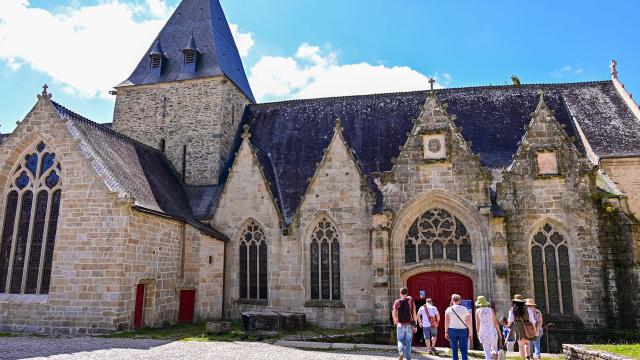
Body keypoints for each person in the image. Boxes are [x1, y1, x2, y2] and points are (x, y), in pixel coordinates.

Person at [507, 295, 537, 360]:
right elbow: (532, 320)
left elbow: (510, 320)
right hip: (527, 326)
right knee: (527, 343)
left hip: (518, 327)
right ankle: (528, 356)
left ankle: (523, 359)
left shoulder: (512, 310)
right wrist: (534, 329)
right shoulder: (528, 310)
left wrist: (508, 327)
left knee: (521, 345)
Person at [445, 294, 472, 360]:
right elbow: (469, 321)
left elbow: (446, 322)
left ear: (452, 300)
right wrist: (471, 332)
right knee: (464, 348)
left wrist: (446, 331)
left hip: (452, 330)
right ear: (460, 300)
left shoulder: (448, 309)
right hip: (463, 330)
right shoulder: (465, 309)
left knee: (454, 349)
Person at [393, 287, 418, 360]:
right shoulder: (411, 301)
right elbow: (414, 313)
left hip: (400, 324)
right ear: (407, 293)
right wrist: (415, 325)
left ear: (400, 293)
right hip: (409, 324)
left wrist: (395, 321)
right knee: (408, 343)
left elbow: (394, 313)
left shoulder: (397, 302)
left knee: (400, 340)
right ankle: (408, 358)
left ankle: (401, 352)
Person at [475, 296, 501, 360]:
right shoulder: (491, 310)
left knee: (486, 350)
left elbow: (477, 324)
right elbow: (495, 322)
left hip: (483, 331)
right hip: (492, 331)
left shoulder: (477, 311)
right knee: (494, 348)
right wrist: (499, 333)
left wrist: (478, 333)